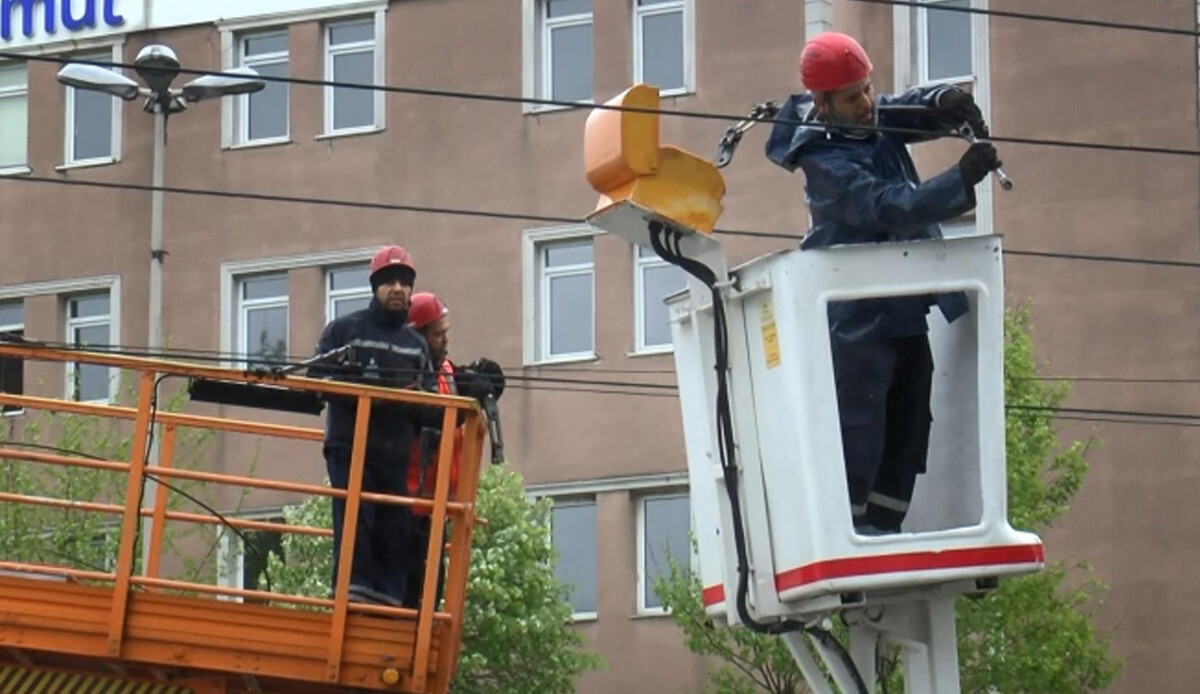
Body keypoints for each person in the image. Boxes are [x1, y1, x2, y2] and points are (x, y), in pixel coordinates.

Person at [764, 31, 1002, 535]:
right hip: (857, 319)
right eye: (854, 96)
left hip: (899, 306)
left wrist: (945, 101)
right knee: (860, 431)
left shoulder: (862, 120)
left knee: (910, 424)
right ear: (824, 105)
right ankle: (853, 534)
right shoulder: (823, 158)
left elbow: (901, 108)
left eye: (868, 88)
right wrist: (959, 178)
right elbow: (886, 206)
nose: (868, 103)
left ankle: (885, 530)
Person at [308, 244, 440, 606]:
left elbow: (431, 402)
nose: (398, 288)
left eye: (405, 282)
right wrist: (354, 388)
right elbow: (315, 381)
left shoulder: (415, 345)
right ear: (374, 287)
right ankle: (350, 596)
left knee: (394, 528)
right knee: (356, 520)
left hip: (393, 455)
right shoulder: (343, 331)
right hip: (350, 448)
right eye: (389, 281)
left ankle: (386, 600)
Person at [401, 291, 504, 608]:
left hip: (434, 507)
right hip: (408, 507)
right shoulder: (406, 376)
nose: (445, 340)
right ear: (417, 337)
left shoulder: (442, 369)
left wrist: (487, 379)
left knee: (431, 598)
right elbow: (426, 416)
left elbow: (457, 386)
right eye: (437, 334)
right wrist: (464, 406)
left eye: (446, 332)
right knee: (412, 598)